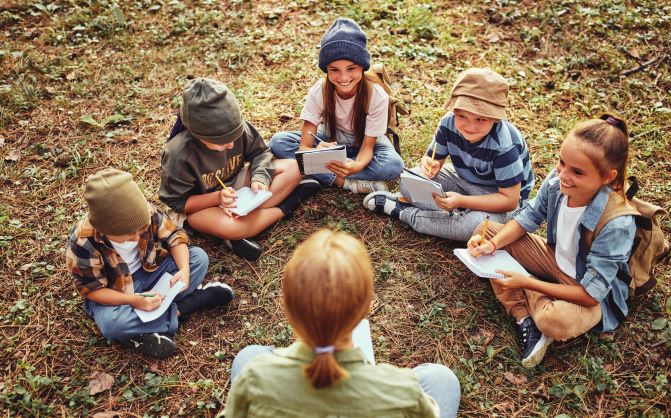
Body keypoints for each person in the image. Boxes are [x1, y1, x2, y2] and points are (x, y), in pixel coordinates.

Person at [222, 229, 461, 418]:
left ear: (289, 311)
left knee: (249, 355)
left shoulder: (255, 379)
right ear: (365, 310)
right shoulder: (404, 393)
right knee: (442, 380)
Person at [467, 114, 636, 368]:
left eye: (577, 172)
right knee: (485, 231)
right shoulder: (557, 183)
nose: (564, 175)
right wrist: (492, 245)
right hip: (554, 260)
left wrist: (528, 283)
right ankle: (525, 318)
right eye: (561, 162)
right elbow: (529, 217)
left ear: (607, 177)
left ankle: (525, 298)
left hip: (586, 288)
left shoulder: (617, 223)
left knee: (554, 320)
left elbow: (590, 295)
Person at [66, 169, 234, 359]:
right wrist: (134, 301)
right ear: (104, 229)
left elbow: (175, 237)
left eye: (139, 229)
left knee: (198, 258)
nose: (136, 237)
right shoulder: (83, 241)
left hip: (152, 271)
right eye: (128, 235)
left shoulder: (146, 212)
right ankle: (187, 306)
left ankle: (143, 329)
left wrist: (185, 270)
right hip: (116, 292)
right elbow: (92, 290)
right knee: (112, 325)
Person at [364, 68, 534, 242]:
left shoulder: (504, 146)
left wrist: (463, 201)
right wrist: (428, 166)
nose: (470, 126)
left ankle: (404, 212)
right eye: (462, 115)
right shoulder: (448, 123)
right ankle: (450, 212)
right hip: (462, 180)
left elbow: (510, 201)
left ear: (496, 118)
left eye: (480, 119)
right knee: (409, 181)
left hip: (499, 198)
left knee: (476, 227)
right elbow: (432, 160)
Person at [159, 78, 320, 261]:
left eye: (233, 138)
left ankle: (245, 226)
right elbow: (177, 202)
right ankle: (285, 207)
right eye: (220, 142)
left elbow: (261, 153)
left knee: (293, 167)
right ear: (197, 135)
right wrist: (217, 198)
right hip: (202, 206)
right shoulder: (178, 154)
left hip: (236, 187)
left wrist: (259, 178)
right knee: (229, 226)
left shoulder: (240, 129)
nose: (229, 145)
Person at [269, 18, 404, 194]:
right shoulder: (321, 90)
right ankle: (346, 183)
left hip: (365, 141)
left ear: (362, 67)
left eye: (351, 68)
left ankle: (325, 171)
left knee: (393, 165)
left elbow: (367, 148)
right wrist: (315, 151)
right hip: (330, 137)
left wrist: (356, 165)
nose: (343, 77)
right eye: (334, 70)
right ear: (326, 69)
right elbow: (304, 147)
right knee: (278, 142)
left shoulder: (376, 95)